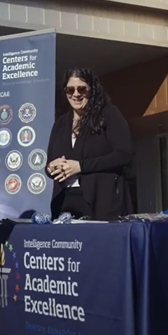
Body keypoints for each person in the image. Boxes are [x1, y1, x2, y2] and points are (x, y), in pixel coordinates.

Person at [46, 68, 133, 221]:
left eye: (81, 89)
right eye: (70, 89)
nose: (76, 94)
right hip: (65, 201)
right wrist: (51, 168)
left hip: (101, 200)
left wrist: (81, 166)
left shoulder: (109, 114)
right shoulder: (60, 123)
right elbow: (49, 162)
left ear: (92, 90)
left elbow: (124, 154)